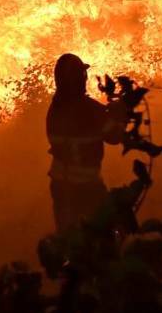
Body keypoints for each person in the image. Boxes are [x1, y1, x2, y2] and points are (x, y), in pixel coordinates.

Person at [46, 53, 126, 231]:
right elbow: (115, 136)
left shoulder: (54, 110)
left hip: (60, 186)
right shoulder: (89, 109)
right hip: (86, 187)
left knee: (69, 239)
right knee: (105, 236)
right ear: (80, 79)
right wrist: (120, 114)